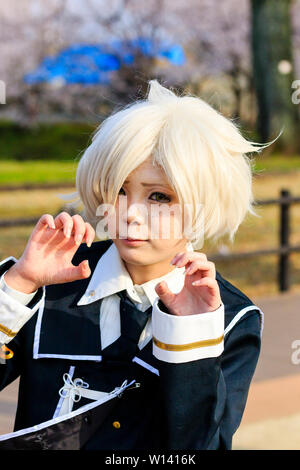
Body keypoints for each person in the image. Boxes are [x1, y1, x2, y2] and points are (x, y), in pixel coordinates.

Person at [0, 79, 266, 450]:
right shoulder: (50, 279)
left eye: (159, 196)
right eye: (119, 190)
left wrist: (187, 334)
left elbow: (200, 445)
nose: (129, 215)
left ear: (206, 200)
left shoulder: (230, 318)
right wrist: (17, 286)